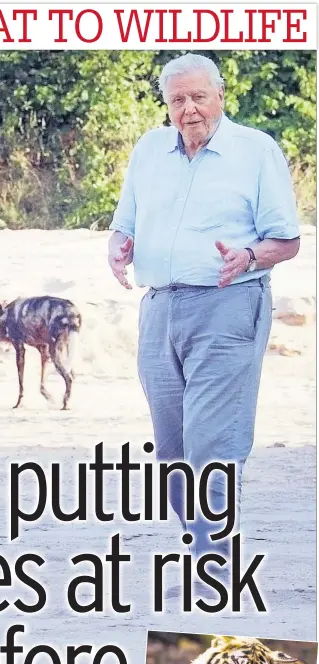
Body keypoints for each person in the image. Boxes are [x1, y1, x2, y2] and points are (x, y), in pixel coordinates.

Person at [107, 53, 300, 568]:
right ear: (166, 104)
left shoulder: (256, 150)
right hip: (159, 309)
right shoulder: (149, 150)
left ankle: (215, 563)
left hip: (229, 305)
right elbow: (124, 221)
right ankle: (200, 546)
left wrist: (250, 256)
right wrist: (119, 245)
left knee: (210, 443)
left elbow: (287, 239)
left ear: (220, 96)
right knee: (171, 452)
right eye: (177, 100)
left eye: (198, 97)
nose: (189, 109)